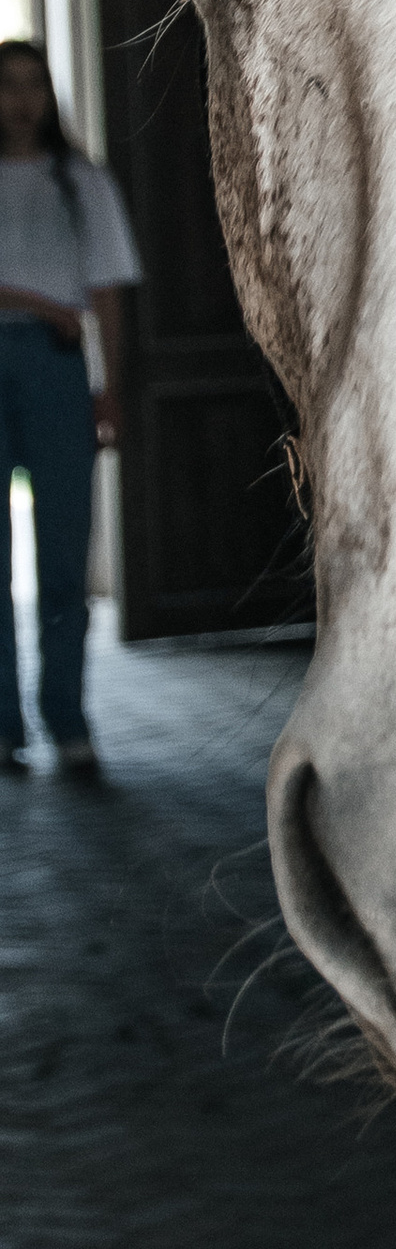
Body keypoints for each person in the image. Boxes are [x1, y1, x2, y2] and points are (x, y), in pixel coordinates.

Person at [0, 38, 139, 775]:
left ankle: (68, 719)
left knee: (63, 555)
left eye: (33, 84)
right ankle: (2, 726)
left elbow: (109, 293)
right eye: (7, 84)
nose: (21, 99)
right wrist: (36, 303)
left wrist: (107, 387)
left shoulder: (80, 181)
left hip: (58, 375)